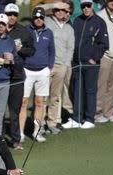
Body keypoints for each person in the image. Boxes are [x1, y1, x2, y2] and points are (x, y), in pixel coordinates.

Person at [62, 0, 108, 129]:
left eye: (88, 6)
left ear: (92, 6)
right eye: (83, 6)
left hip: (90, 63)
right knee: (77, 90)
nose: (86, 8)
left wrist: (94, 57)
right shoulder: (77, 20)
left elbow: (104, 43)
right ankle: (77, 118)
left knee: (90, 91)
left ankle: (90, 119)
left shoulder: (99, 22)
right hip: (77, 62)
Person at [20, 7, 55, 142]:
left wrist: (49, 67)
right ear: (33, 18)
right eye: (36, 17)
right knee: (23, 102)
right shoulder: (26, 30)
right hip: (27, 70)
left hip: (43, 71)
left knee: (40, 102)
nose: (38, 19)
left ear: (44, 19)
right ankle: (21, 133)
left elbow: (52, 51)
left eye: (41, 17)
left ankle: (36, 132)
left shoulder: (49, 33)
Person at [4, 3, 35, 150]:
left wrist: (21, 49)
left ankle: (16, 140)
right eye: (9, 14)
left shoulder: (23, 31)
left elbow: (31, 50)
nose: (12, 17)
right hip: (0, 77)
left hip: (16, 76)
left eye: (14, 15)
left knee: (14, 110)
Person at [44, 1, 75, 133]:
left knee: (55, 96)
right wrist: (54, 4)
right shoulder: (47, 21)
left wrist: (65, 65)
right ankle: (39, 124)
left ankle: (52, 123)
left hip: (61, 66)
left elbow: (70, 48)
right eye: (57, 10)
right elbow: (37, 9)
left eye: (63, 10)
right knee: (43, 96)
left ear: (67, 13)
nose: (60, 12)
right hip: (47, 65)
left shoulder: (69, 28)